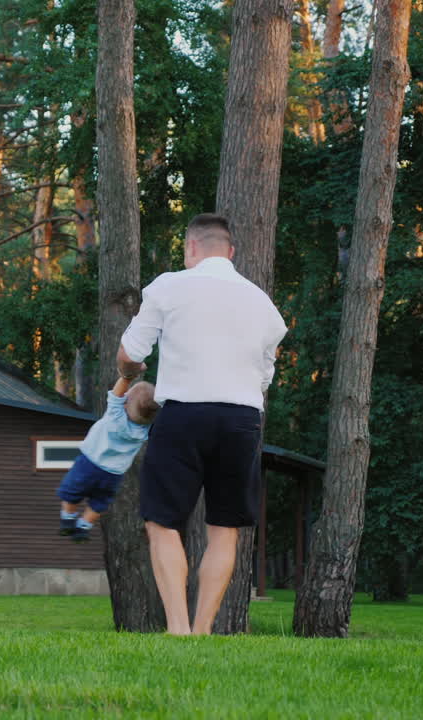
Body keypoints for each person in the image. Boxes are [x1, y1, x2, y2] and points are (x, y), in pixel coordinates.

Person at [117, 213, 287, 635]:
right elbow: (266, 375)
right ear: (230, 252)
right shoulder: (262, 303)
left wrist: (128, 371)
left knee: (162, 522)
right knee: (225, 529)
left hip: (183, 416)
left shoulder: (169, 286)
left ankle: (177, 628)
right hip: (241, 419)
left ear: (191, 247)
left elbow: (130, 352)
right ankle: (203, 630)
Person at [56, 376, 160, 542]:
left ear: (125, 403)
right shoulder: (145, 430)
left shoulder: (115, 415)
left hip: (89, 463)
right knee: (100, 501)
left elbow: (117, 393)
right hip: (113, 474)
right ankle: (83, 527)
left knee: (71, 491)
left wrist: (127, 376)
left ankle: (68, 520)